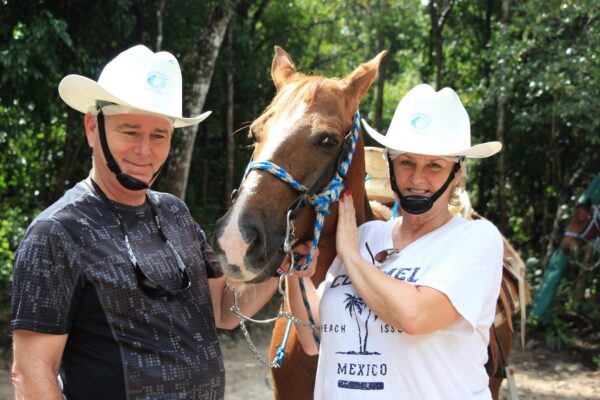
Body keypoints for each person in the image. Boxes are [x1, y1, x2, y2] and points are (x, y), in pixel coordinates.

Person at [10, 44, 278, 400]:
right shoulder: (56, 233)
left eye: (158, 135)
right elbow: (31, 374)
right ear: (93, 127)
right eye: (130, 131)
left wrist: (281, 264)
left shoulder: (175, 213)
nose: (144, 151)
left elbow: (223, 310)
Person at [286, 84, 504, 399]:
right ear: (390, 166)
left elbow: (414, 316)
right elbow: (314, 339)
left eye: (434, 166)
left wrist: (351, 256)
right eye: (406, 163)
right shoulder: (365, 236)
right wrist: (299, 275)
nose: (417, 179)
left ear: (457, 173)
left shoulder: (475, 240)